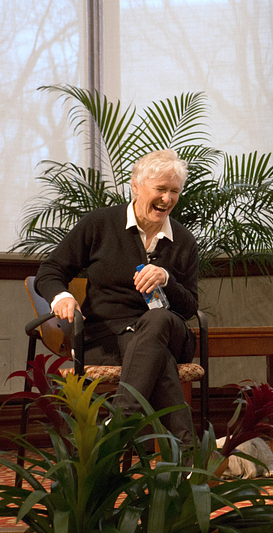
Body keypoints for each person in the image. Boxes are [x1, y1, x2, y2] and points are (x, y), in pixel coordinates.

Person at [35, 149, 199, 446]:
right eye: (160, 189)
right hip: (106, 336)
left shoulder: (184, 240)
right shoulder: (99, 224)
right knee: (154, 356)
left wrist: (167, 279)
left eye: (174, 191)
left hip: (168, 331)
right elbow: (51, 270)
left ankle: (119, 422)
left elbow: (189, 307)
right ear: (136, 186)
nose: (167, 199)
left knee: (158, 319)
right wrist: (61, 297)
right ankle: (188, 457)